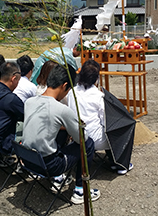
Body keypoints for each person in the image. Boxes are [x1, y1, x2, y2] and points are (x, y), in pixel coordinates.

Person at [22, 64, 100, 205]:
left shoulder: (29, 102)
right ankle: (80, 191)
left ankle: (59, 179)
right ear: (64, 86)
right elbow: (81, 139)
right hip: (49, 166)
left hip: (29, 161)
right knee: (88, 143)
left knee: (61, 132)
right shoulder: (61, 109)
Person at [67, 60, 133, 175]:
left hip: (75, 136)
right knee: (117, 130)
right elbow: (106, 121)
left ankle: (113, 161)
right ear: (96, 78)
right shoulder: (98, 96)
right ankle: (119, 163)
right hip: (93, 140)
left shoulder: (72, 91)